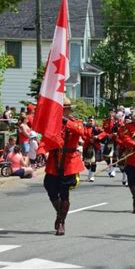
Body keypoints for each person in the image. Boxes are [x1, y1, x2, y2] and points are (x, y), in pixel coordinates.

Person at [43, 97, 84, 236]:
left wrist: (67, 122)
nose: (62, 111)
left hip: (69, 162)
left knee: (64, 193)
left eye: (65, 109)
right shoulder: (53, 123)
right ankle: (59, 213)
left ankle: (61, 222)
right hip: (54, 161)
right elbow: (45, 139)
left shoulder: (75, 122)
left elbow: (81, 132)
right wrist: (41, 152)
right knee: (50, 188)